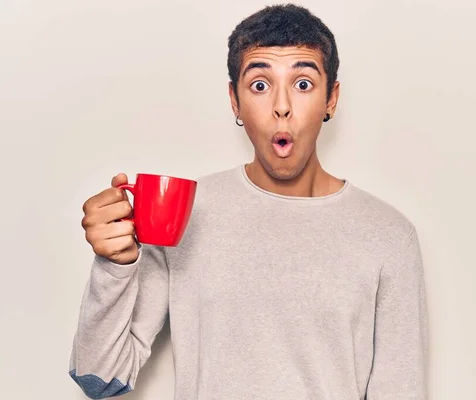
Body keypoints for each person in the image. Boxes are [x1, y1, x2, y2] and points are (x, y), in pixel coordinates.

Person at [68, 4, 429, 399]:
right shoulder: (185, 211)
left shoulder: (388, 235)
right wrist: (113, 266)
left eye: (303, 83)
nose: (282, 106)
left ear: (332, 98)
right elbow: (99, 380)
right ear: (234, 101)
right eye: (259, 84)